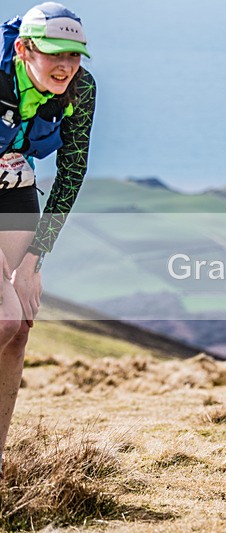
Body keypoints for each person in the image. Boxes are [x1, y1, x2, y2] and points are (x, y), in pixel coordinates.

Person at [0, 2, 95, 476]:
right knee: (2, 317)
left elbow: (72, 170)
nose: (66, 67)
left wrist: (36, 258)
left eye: (75, 56)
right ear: (22, 49)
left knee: (19, 328)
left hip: (15, 190)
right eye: (55, 55)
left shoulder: (80, 86)